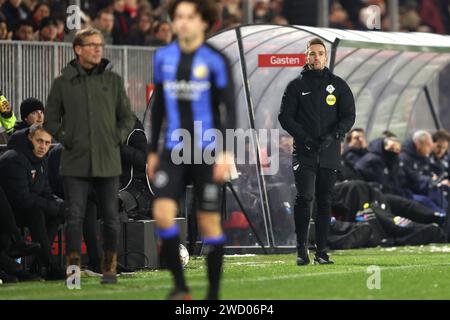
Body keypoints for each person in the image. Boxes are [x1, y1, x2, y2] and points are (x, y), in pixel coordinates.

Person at [146, 0, 235, 300]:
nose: (182, 22)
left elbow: (228, 109)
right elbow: (158, 106)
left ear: (203, 22)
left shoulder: (215, 60)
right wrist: (152, 150)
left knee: (209, 222)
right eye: (178, 17)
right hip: (172, 148)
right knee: (162, 213)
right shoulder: (163, 58)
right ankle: (181, 287)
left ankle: (212, 293)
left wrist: (226, 151)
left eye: (189, 17)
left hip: (206, 150)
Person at [44, 27, 135, 284]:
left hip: (108, 162)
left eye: (100, 45)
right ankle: (73, 274)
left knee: (110, 219)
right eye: (92, 44)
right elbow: (50, 121)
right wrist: (68, 138)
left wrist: (116, 137)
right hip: (74, 162)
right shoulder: (62, 83)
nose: (97, 49)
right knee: (74, 218)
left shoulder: (113, 81)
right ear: (78, 49)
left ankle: (109, 272)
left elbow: (127, 117)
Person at [278, 37, 355, 265]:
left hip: (329, 151)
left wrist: (334, 135)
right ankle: (302, 250)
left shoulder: (339, 85)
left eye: (320, 53)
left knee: (325, 200)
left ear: (326, 57)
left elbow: (348, 115)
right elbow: (285, 117)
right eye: (312, 53)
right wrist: (306, 138)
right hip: (304, 152)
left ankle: (321, 251)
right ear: (306, 56)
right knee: (305, 197)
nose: (316, 57)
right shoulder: (296, 86)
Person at [0, 124, 66, 280]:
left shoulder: (40, 160)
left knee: (56, 214)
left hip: (23, 209)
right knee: (37, 212)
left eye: (47, 143)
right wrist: (53, 206)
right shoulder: (14, 158)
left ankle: (39, 265)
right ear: (29, 138)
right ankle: (50, 265)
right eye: (39, 141)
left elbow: (46, 191)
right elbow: (21, 199)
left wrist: (60, 205)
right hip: (11, 213)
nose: (43, 147)